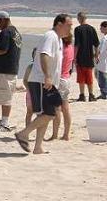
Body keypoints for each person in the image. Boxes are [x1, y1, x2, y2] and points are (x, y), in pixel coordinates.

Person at [15, 14, 72, 154]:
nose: (71, 28)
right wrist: (47, 76)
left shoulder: (58, 39)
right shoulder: (50, 36)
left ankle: (38, 147)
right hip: (41, 80)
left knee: (47, 114)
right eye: (69, 25)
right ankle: (23, 134)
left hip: (50, 82)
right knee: (49, 114)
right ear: (59, 24)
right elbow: (44, 55)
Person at [0, 11, 22, 130]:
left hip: (4, 70)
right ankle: (3, 120)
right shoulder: (16, 32)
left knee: (6, 97)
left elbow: (2, 50)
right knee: (6, 96)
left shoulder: (6, 32)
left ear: (3, 20)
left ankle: (5, 123)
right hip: (11, 69)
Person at [47, 32, 74, 141]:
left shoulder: (60, 49)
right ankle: (66, 134)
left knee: (57, 109)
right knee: (66, 108)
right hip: (66, 78)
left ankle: (55, 135)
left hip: (58, 80)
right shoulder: (71, 47)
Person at [74, 11, 99, 102]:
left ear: (79, 18)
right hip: (89, 56)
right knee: (89, 76)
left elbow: (77, 45)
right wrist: (96, 54)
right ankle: (91, 95)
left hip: (80, 56)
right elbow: (96, 43)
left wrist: (74, 57)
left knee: (81, 77)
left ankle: (82, 95)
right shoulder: (92, 29)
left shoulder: (78, 29)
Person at [23, 48, 37, 128]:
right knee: (29, 112)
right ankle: (27, 130)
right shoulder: (30, 67)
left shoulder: (44, 67)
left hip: (40, 92)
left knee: (41, 114)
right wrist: (29, 89)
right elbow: (25, 80)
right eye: (35, 54)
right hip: (30, 92)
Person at [95, 21, 107, 100]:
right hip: (103, 61)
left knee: (101, 77)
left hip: (103, 61)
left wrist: (97, 57)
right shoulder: (104, 38)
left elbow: (101, 50)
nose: (100, 29)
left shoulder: (105, 39)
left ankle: (104, 93)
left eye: (101, 27)